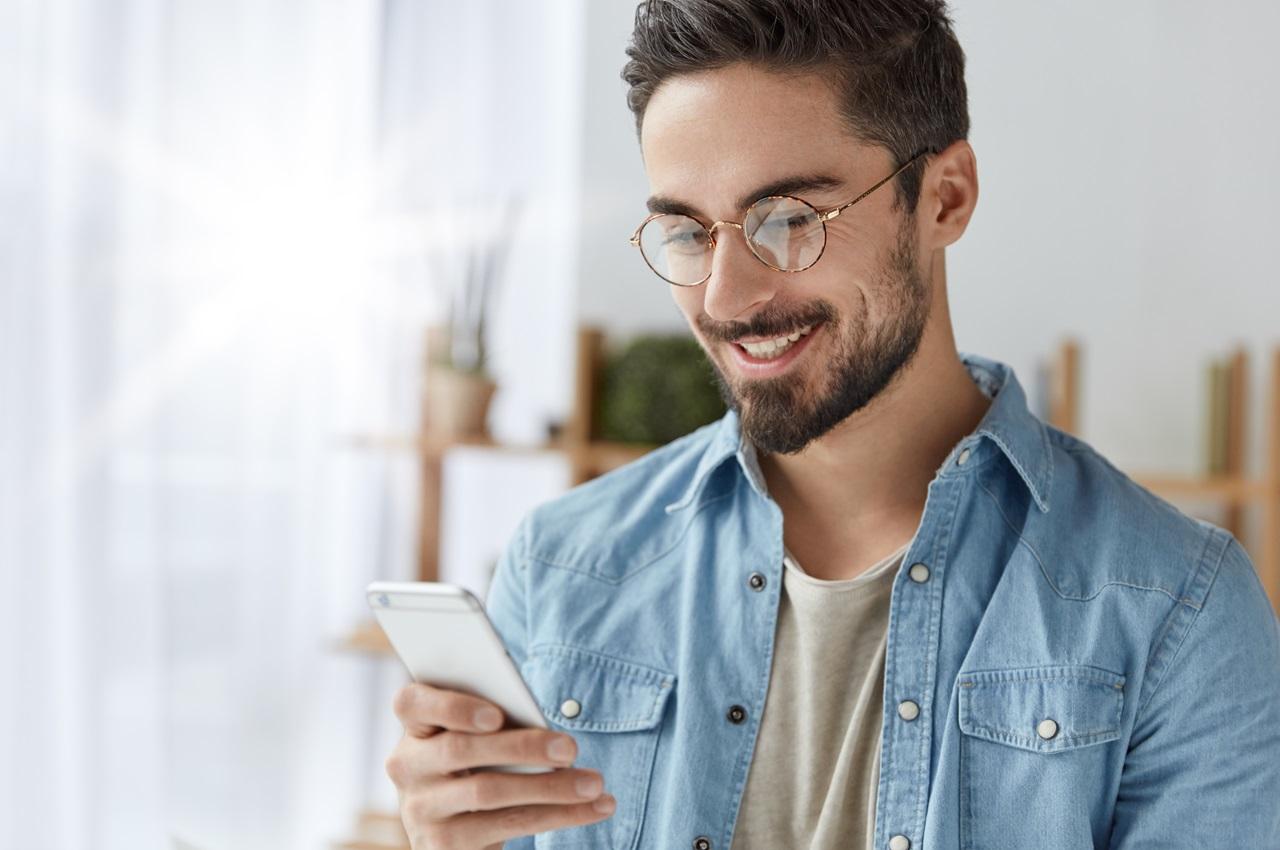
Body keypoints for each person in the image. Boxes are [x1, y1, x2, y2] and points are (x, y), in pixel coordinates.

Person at [384, 1, 1280, 847]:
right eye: (690, 232)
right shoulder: (561, 568)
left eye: (789, 218)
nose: (726, 297)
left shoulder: (1176, 612)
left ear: (945, 197)